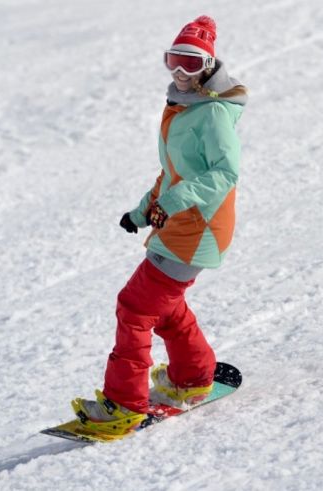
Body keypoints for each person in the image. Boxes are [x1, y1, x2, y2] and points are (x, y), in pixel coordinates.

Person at [72, 15, 248, 435]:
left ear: (208, 66)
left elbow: (226, 173)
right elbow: (172, 172)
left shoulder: (214, 113)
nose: (179, 72)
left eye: (190, 63)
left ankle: (124, 403)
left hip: (199, 227)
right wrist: (141, 210)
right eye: (173, 60)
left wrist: (173, 201)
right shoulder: (182, 107)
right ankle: (191, 377)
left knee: (134, 307)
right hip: (179, 223)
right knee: (164, 308)